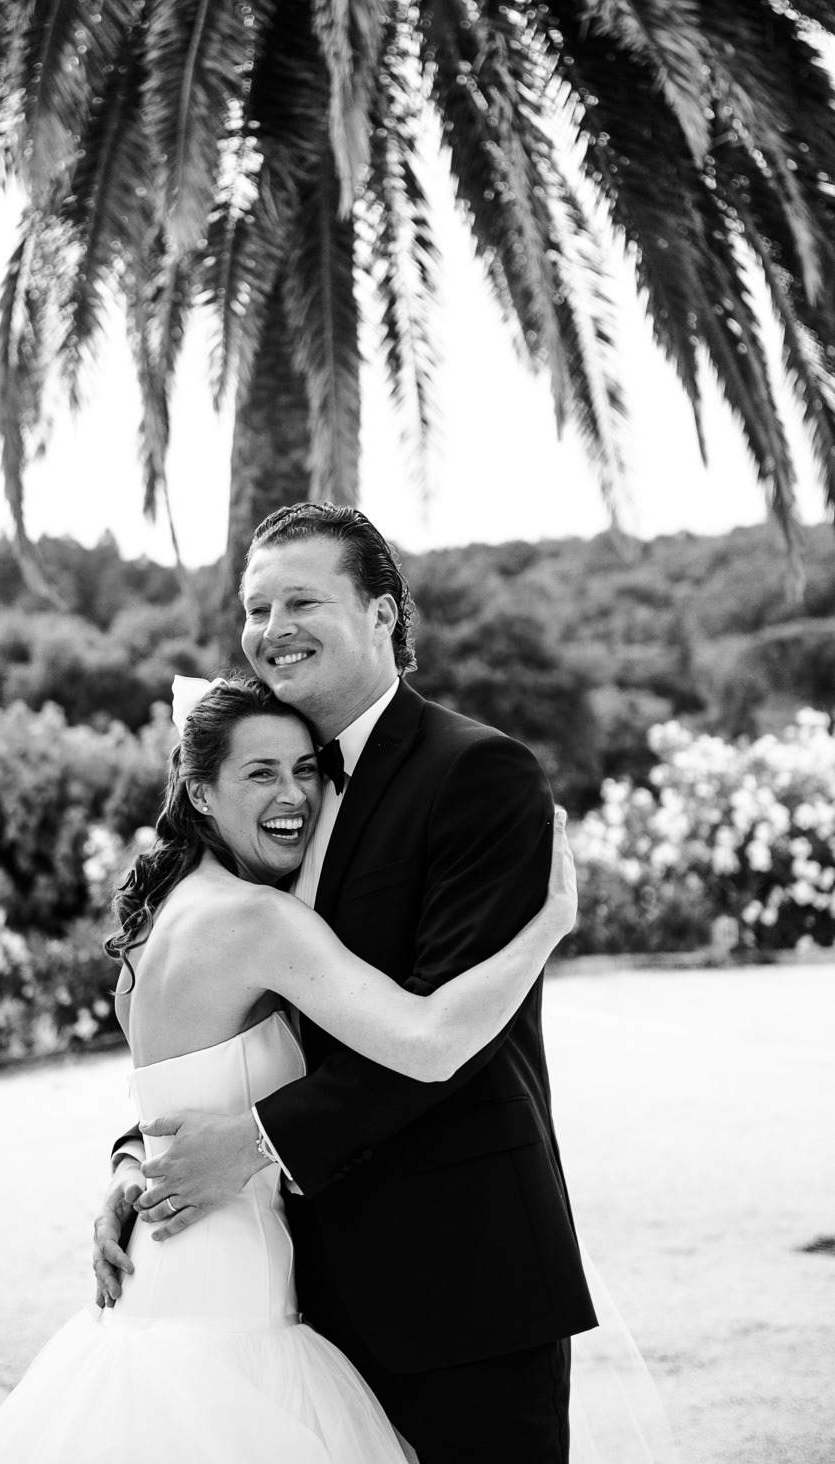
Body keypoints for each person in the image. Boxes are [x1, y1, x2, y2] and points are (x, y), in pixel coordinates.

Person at [0, 677, 577, 1464]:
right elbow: (428, 1041)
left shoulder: (162, 911)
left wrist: (128, 1169)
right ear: (200, 793)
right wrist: (544, 929)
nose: (294, 795)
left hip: (169, 1262)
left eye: (305, 770)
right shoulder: (256, 920)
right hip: (231, 1288)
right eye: (260, 774)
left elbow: (169, 1090)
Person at [95, 503, 598, 1464]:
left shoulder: (477, 773)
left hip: (457, 1272)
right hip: (292, 1285)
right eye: (254, 607)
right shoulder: (263, 805)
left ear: (381, 613)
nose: (271, 627)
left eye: (302, 599)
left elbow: (448, 1037)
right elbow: (208, 1022)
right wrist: (138, 1161)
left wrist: (250, 1142)